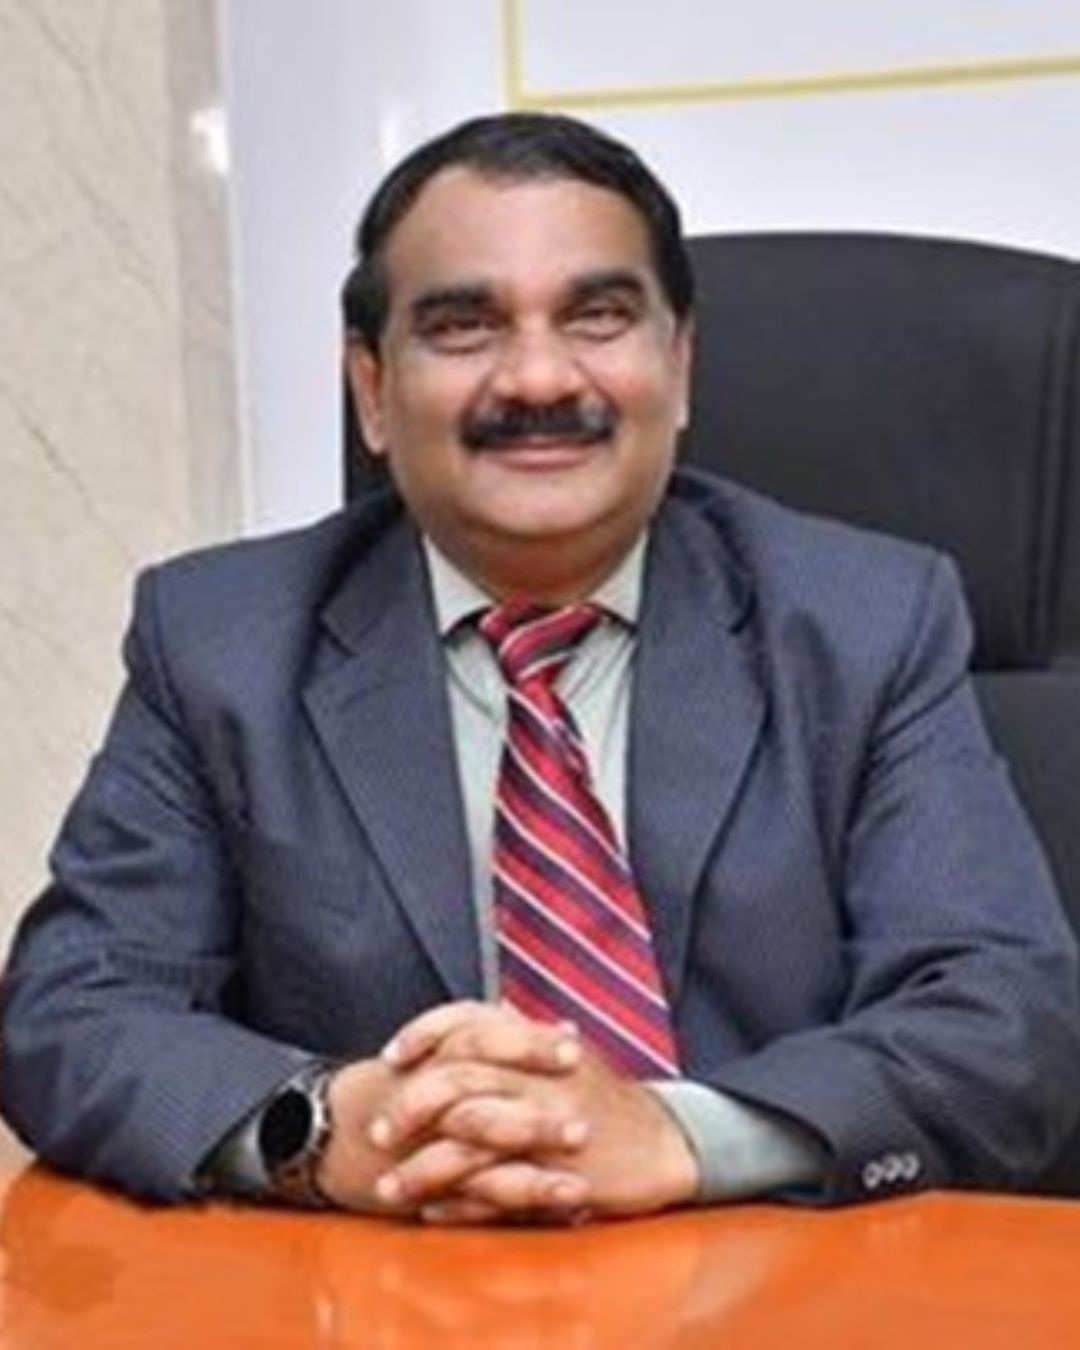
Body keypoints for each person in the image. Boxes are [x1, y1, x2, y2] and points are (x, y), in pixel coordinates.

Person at [2, 112, 1078, 1224]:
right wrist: (321, 1128)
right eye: (463, 326)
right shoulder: (222, 642)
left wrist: (676, 1135)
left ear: (679, 363)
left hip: (779, 1279)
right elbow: (73, 1009)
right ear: (371, 387)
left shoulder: (864, 623)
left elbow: (1003, 1021)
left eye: (597, 316)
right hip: (379, 1286)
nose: (536, 376)